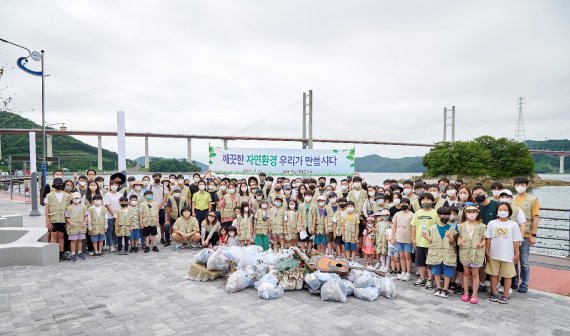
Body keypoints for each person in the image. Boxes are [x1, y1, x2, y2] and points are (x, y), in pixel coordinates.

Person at [486, 202, 522, 304]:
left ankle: (505, 295)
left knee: (507, 275)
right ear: (497, 211)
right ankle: (494, 293)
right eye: (500, 210)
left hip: (508, 255)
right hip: (494, 254)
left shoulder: (513, 224)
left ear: (509, 212)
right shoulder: (492, 223)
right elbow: (488, 238)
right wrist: (487, 251)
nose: (502, 212)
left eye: (505, 210)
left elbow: (516, 241)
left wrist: (517, 254)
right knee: (493, 274)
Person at [511, 176, 540, 293]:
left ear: (527, 185)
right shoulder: (511, 198)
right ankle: (514, 281)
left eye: (523, 185)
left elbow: (535, 218)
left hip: (526, 234)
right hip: (512, 235)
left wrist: (534, 235)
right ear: (514, 186)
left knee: (524, 260)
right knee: (513, 259)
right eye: (518, 185)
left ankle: (525, 283)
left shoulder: (533, 199)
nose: (520, 187)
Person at [424, 207, 457, 298]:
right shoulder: (432, 228)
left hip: (448, 254)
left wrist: (450, 236)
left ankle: (445, 288)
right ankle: (438, 287)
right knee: (436, 271)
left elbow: (453, 243)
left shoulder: (452, 228)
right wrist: (425, 237)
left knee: (448, 271)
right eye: (444, 214)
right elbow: (431, 240)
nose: (445, 217)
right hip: (436, 253)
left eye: (447, 215)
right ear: (439, 215)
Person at [471, 185, 499, 293]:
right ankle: (482, 282)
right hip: (480, 238)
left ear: (486, 193)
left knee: (493, 261)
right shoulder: (475, 208)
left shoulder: (496, 205)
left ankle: (496, 285)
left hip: (494, 238)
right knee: (482, 261)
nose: (478, 196)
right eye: (475, 195)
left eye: (480, 193)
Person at [457, 205, 486, 304]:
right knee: (465, 273)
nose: (471, 214)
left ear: (477, 213)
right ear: (465, 213)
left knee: (475, 273)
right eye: (469, 212)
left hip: (476, 252)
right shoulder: (461, 225)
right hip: (465, 251)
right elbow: (460, 236)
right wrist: (459, 241)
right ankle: (465, 293)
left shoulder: (482, 226)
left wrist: (481, 244)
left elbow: (484, 239)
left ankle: (474, 294)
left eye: (474, 212)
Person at [412, 193, 439, 289]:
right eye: (423, 199)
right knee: (421, 262)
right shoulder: (418, 212)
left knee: (430, 263)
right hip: (419, 242)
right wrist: (413, 239)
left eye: (428, 199)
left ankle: (430, 280)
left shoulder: (435, 213)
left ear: (433, 201)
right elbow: (414, 227)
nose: (425, 201)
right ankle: (422, 278)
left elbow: (437, 227)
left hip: (431, 243)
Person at [44, 177, 71, 261]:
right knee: (54, 236)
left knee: (61, 236)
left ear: (63, 185)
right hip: (53, 218)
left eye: (60, 183)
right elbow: (46, 209)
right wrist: (47, 221)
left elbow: (68, 209)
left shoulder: (67, 195)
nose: (58, 185)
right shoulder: (49, 195)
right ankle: (53, 253)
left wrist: (68, 220)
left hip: (63, 219)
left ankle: (61, 253)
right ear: (54, 185)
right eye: (57, 183)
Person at [392, 198, 413, 281]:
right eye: (402, 203)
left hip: (408, 239)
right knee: (401, 256)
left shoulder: (412, 215)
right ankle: (403, 272)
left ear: (409, 205)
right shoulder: (397, 214)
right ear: (400, 204)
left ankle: (408, 273)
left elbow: (414, 228)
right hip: (399, 238)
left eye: (406, 203)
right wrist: (392, 237)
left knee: (407, 256)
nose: (404, 204)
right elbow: (394, 226)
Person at [65, 192, 89, 262]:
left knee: (80, 240)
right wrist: (70, 222)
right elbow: (67, 217)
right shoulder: (69, 208)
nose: (76, 199)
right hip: (73, 226)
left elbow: (86, 215)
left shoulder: (84, 207)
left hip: (81, 226)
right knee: (73, 240)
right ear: (72, 199)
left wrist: (85, 222)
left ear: (80, 198)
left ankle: (79, 252)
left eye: (78, 198)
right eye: (75, 198)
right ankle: (73, 253)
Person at [103, 180, 122, 252]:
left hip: (118, 215)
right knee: (110, 230)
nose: (114, 186)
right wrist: (113, 214)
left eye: (116, 185)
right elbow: (108, 205)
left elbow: (122, 204)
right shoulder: (107, 195)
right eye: (112, 184)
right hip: (110, 215)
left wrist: (118, 214)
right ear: (110, 186)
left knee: (117, 230)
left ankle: (116, 243)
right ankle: (110, 245)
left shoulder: (120, 194)